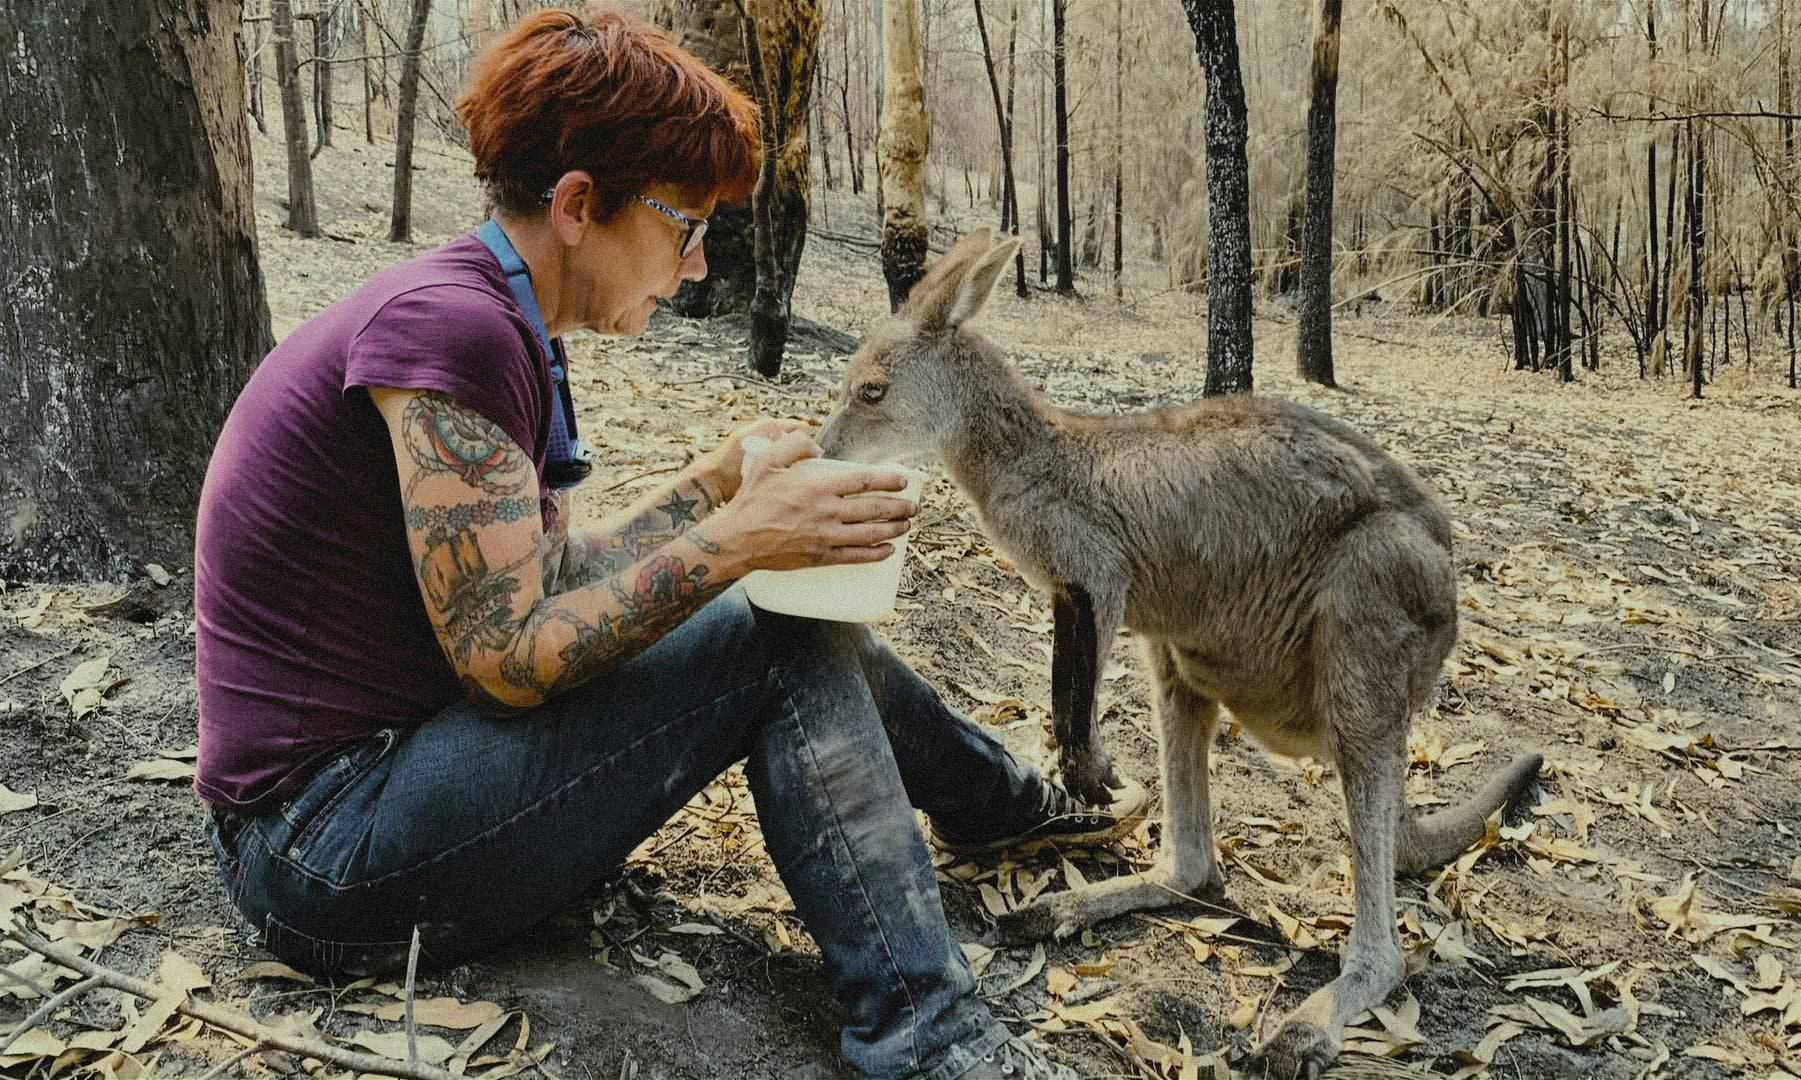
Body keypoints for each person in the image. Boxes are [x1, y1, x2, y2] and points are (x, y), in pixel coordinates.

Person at [192, 7, 1145, 1080]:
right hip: (318, 851)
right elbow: (507, 661)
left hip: (378, 785)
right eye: (685, 228)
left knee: (773, 624)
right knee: (772, 642)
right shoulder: (451, 330)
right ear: (578, 206)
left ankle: (1008, 810)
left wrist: (713, 487)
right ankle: (936, 1037)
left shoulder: (496, 315)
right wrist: (737, 544)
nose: (694, 267)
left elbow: (546, 579)